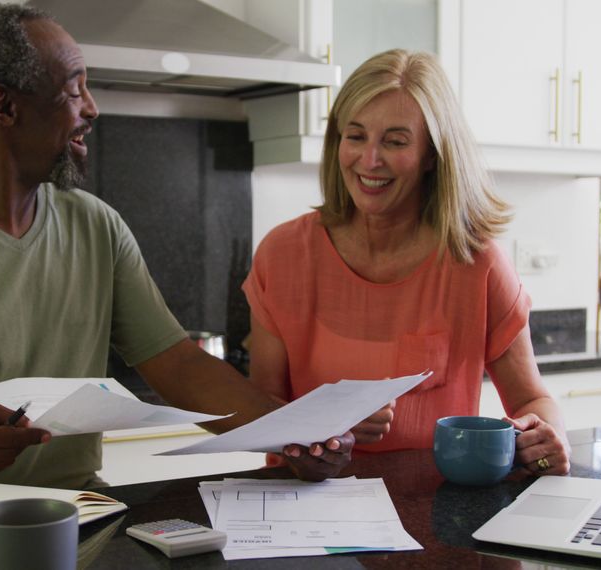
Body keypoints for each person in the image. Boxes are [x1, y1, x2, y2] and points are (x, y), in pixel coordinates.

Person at [0, 4, 352, 506]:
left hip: (80, 523)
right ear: (3, 105)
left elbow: (176, 364)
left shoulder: (95, 225)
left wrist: (289, 434)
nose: (92, 108)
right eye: (74, 88)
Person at [243, 49, 571, 477]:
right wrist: (320, 430)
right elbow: (260, 402)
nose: (370, 159)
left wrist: (546, 435)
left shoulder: (476, 262)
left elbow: (532, 401)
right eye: (356, 136)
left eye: (395, 141)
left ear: (432, 155)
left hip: (432, 515)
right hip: (300, 506)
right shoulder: (283, 253)